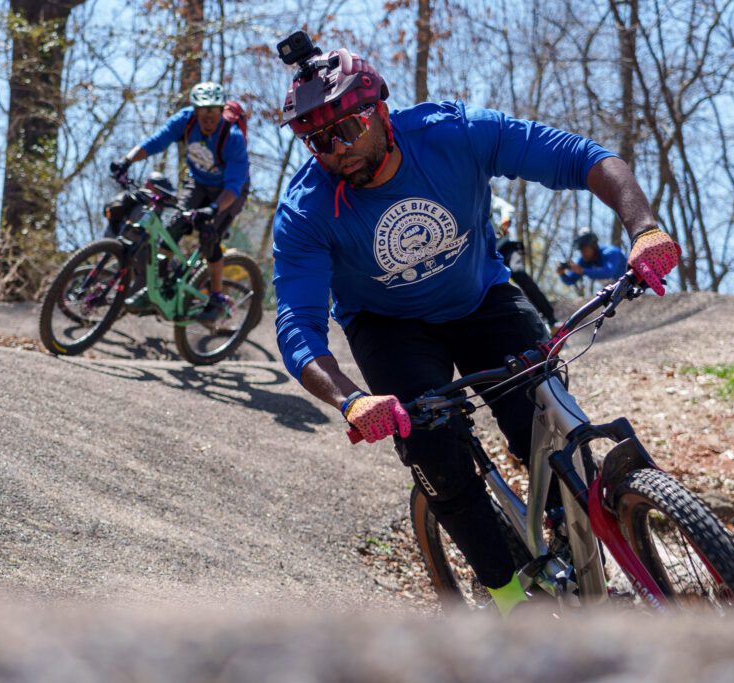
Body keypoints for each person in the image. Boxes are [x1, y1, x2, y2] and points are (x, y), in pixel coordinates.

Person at [271, 41, 680, 616]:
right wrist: (351, 401)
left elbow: (584, 159)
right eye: (317, 140)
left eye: (349, 128)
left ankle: (579, 542)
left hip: (482, 299)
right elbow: (298, 324)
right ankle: (510, 600)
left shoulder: (452, 134)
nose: (336, 151)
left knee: (546, 416)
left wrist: (644, 229)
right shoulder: (306, 209)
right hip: (389, 329)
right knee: (435, 452)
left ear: (382, 111)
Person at [113, 81, 250, 321]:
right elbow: (157, 141)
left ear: (220, 111)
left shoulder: (233, 138)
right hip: (197, 183)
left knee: (209, 234)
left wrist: (213, 209)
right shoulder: (186, 121)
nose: (208, 119)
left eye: (214, 113)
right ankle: (157, 289)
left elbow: (234, 186)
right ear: (195, 111)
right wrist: (127, 160)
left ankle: (217, 298)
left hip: (227, 193)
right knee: (173, 226)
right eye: (203, 113)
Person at [491, 195, 558, 330]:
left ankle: (551, 319)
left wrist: (505, 219)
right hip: (486, 256)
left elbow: (505, 207)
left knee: (519, 272)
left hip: (505, 247)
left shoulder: (483, 194)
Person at [557, 228, 628, 287]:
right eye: (581, 250)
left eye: (585, 249)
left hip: (634, 285)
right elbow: (570, 280)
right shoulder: (584, 261)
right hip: (619, 290)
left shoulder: (611, 252)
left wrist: (582, 270)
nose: (582, 253)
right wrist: (562, 274)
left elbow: (608, 273)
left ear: (593, 246)